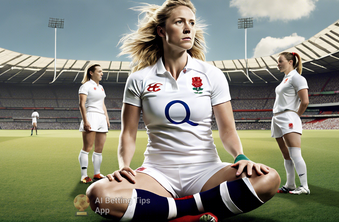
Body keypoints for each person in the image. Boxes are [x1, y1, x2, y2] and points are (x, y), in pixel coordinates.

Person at [86, 1, 280, 221]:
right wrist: (125, 167)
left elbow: (227, 130)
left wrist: (240, 155)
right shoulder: (139, 79)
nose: (188, 28)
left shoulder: (211, 74)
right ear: (161, 30)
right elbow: (128, 134)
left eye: (192, 23)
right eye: (179, 22)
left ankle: (170, 210)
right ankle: (195, 210)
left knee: (268, 179)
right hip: (157, 173)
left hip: (207, 171)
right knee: (99, 196)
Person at [272, 52, 310, 195]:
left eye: (280, 61)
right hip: (276, 118)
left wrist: (295, 117)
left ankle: (305, 186)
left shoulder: (297, 78)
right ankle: (290, 184)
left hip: (288, 117)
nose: (278, 64)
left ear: (290, 62)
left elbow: (305, 101)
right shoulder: (285, 79)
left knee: (295, 154)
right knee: (285, 154)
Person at [78, 64, 111, 184]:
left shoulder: (101, 87)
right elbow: (82, 104)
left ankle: (97, 173)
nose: (102, 73)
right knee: (87, 148)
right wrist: (86, 121)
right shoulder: (85, 86)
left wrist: (106, 118)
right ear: (91, 73)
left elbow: (103, 104)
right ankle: (84, 175)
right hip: (91, 116)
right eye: (99, 71)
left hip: (101, 118)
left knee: (99, 149)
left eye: (102, 71)